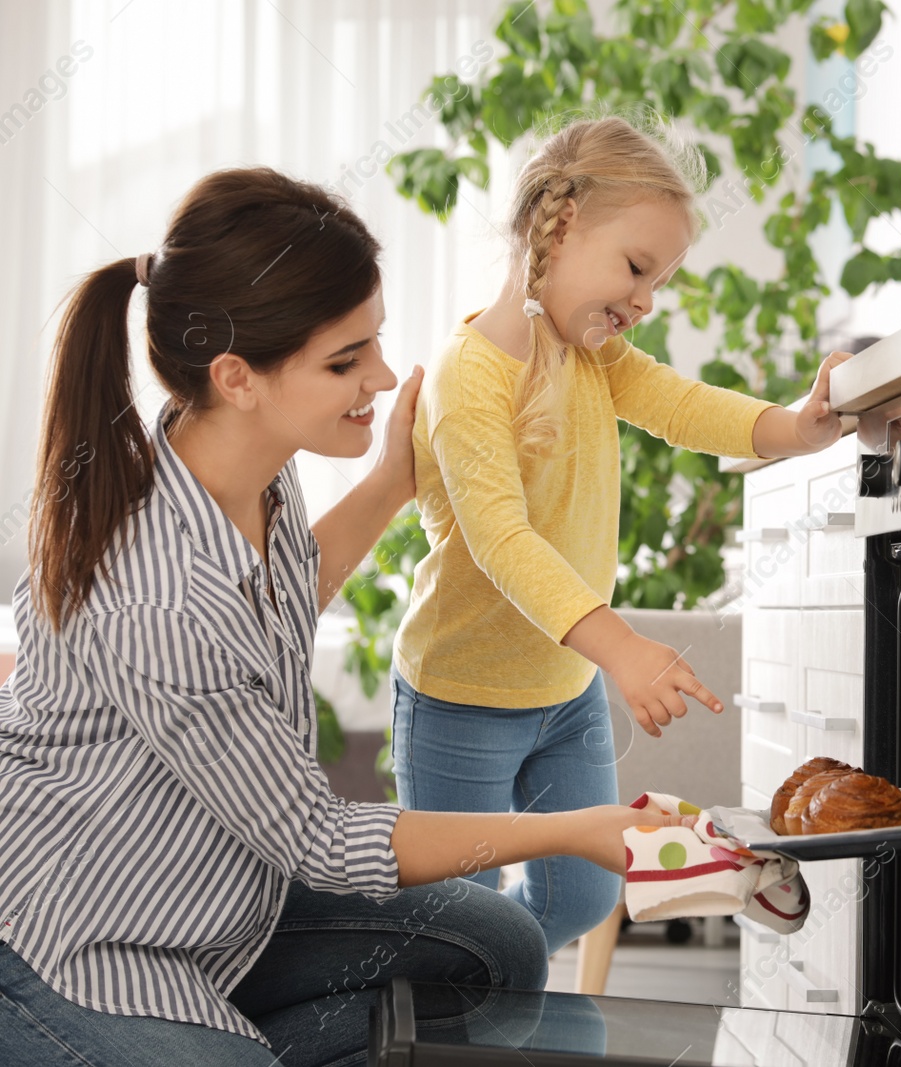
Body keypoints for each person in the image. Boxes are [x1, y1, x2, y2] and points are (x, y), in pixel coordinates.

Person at [0, 166, 692, 1067]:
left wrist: (388, 485)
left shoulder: (246, 463)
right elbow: (323, 840)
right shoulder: (153, 597)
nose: (381, 374)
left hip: (221, 903)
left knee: (502, 947)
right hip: (79, 943)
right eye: (344, 362)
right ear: (236, 375)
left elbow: (273, 603)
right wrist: (575, 826)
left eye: (374, 341)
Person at [390, 115, 852, 951]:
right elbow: (502, 542)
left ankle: (492, 980)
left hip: (564, 695)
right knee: (454, 918)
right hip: (460, 699)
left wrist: (795, 427)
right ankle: (465, 1000)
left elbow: (683, 406)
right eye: (637, 268)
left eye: (660, 282)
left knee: (579, 898)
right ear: (552, 227)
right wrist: (624, 647)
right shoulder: (470, 376)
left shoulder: (590, 356)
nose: (644, 302)